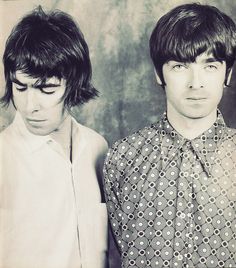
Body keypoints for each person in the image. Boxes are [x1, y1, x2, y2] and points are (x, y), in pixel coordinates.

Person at [104, 3, 236, 268]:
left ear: (228, 73)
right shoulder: (122, 159)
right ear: (158, 74)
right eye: (179, 66)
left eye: (210, 66)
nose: (195, 83)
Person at [0, 6, 108, 268]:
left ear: (74, 83)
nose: (29, 105)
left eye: (46, 88)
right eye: (20, 87)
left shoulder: (98, 148)